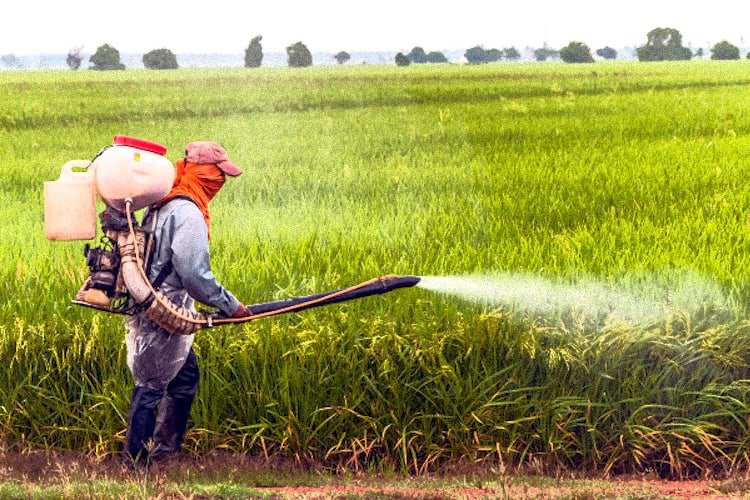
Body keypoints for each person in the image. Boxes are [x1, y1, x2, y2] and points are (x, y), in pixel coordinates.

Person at [124, 141, 252, 464]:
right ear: (205, 173)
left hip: (155, 307)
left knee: (184, 378)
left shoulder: (163, 203)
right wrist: (230, 306)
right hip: (164, 314)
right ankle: (134, 463)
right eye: (218, 175)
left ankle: (165, 454)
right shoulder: (187, 211)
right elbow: (194, 275)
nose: (220, 182)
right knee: (151, 385)